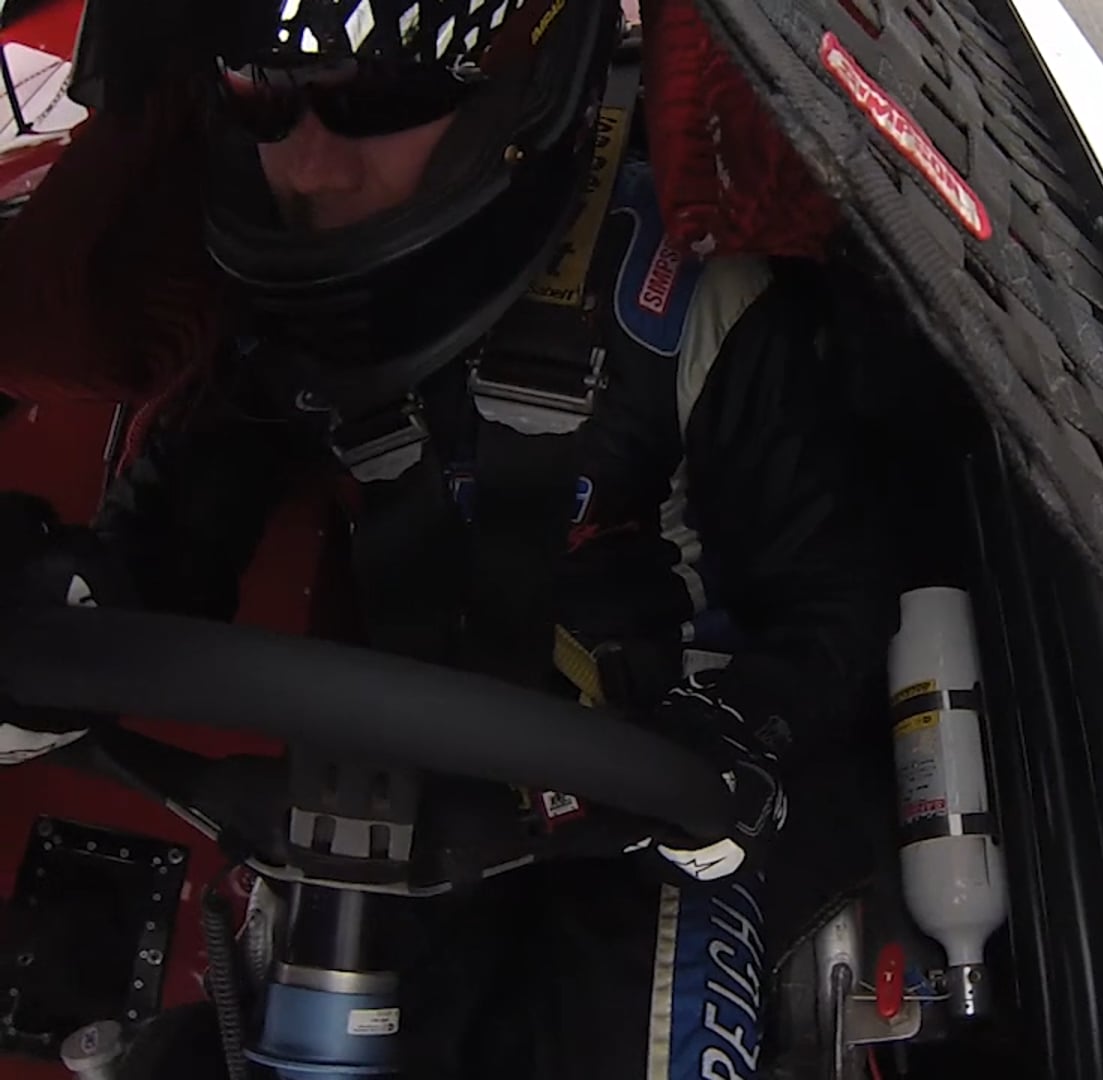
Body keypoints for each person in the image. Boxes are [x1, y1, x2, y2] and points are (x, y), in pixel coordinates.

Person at [0, 0, 898, 1076]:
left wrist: (741, 729)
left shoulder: (691, 291)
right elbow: (158, 567)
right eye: (265, 100)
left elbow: (834, 606)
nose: (313, 169)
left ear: (516, 94)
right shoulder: (275, 304)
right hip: (398, 804)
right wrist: (58, 610)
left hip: (658, 805)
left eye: (379, 101)